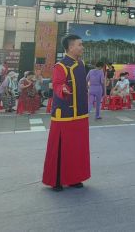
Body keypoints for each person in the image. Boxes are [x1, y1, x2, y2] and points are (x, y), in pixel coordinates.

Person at [42, 34, 90, 191]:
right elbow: (57, 84)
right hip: (64, 114)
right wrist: (62, 89)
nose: (82, 47)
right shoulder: (61, 66)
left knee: (77, 148)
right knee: (60, 148)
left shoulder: (81, 64)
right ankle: (56, 180)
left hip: (81, 113)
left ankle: (74, 178)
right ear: (70, 47)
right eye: (79, 44)